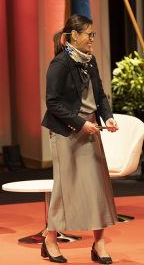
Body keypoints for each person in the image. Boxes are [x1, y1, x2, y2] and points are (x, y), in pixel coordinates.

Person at [41, 14, 118, 264]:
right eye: (89, 35)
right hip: (67, 131)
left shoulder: (90, 61)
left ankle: (99, 243)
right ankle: (50, 239)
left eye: (93, 35)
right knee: (64, 189)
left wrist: (107, 117)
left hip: (91, 128)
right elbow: (52, 103)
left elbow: (100, 94)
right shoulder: (60, 63)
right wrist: (80, 124)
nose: (92, 39)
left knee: (98, 187)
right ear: (74, 36)